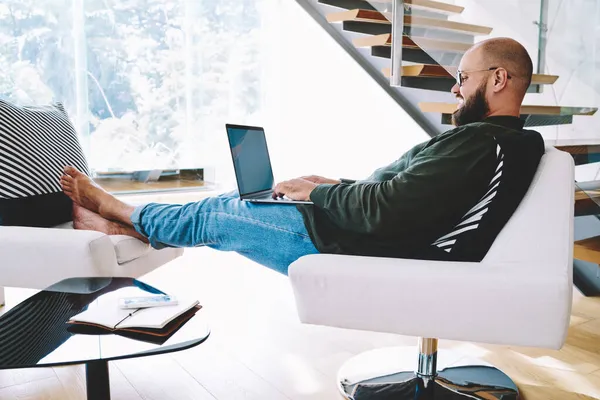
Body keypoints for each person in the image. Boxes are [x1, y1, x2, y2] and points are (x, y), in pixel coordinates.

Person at [61, 37, 544, 275]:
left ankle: (116, 209)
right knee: (235, 199)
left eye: (463, 77)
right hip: (357, 230)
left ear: (498, 80)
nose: (456, 89)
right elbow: (407, 198)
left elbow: (390, 211)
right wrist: (331, 185)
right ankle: (131, 225)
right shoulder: (502, 143)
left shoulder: (481, 143)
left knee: (221, 213)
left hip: (351, 244)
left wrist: (324, 194)